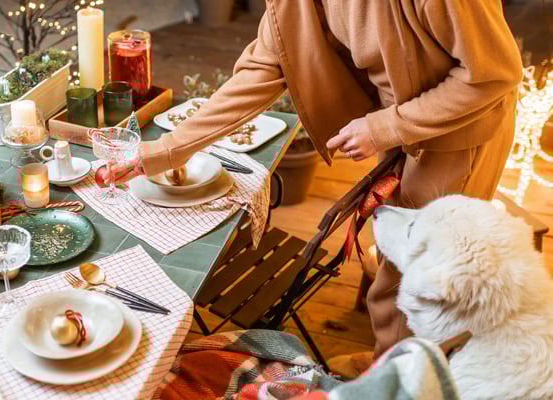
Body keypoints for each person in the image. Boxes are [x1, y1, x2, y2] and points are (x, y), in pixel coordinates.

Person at [99, 0, 522, 377]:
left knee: (426, 277)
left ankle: (410, 381)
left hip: (457, 131)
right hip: (399, 122)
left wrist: (385, 126)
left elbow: (493, 74)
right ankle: (389, 363)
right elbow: (264, 67)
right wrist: (164, 150)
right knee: (395, 262)